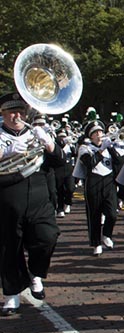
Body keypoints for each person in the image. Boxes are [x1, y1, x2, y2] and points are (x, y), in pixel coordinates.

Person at [0, 92, 63, 315]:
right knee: (9, 247)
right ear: (3, 113)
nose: (17, 116)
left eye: (20, 111)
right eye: (11, 111)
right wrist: (5, 152)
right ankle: (11, 294)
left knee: (48, 236)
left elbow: (58, 162)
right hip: (8, 196)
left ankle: (36, 273)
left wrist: (49, 144)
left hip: (38, 195)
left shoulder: (36, 133)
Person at [74, 119, 121, 256]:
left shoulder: (109, 148)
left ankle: (107, 234)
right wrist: (101, 149)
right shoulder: (85, 148)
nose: (100, 134)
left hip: (108, 182)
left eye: (101, 131)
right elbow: (90, 163)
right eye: (96, 133)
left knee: (112, 213)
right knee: (94, 215)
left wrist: (110, 148)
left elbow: (119, 161)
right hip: (93, 182)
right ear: (91, 136)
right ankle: (96, 243)